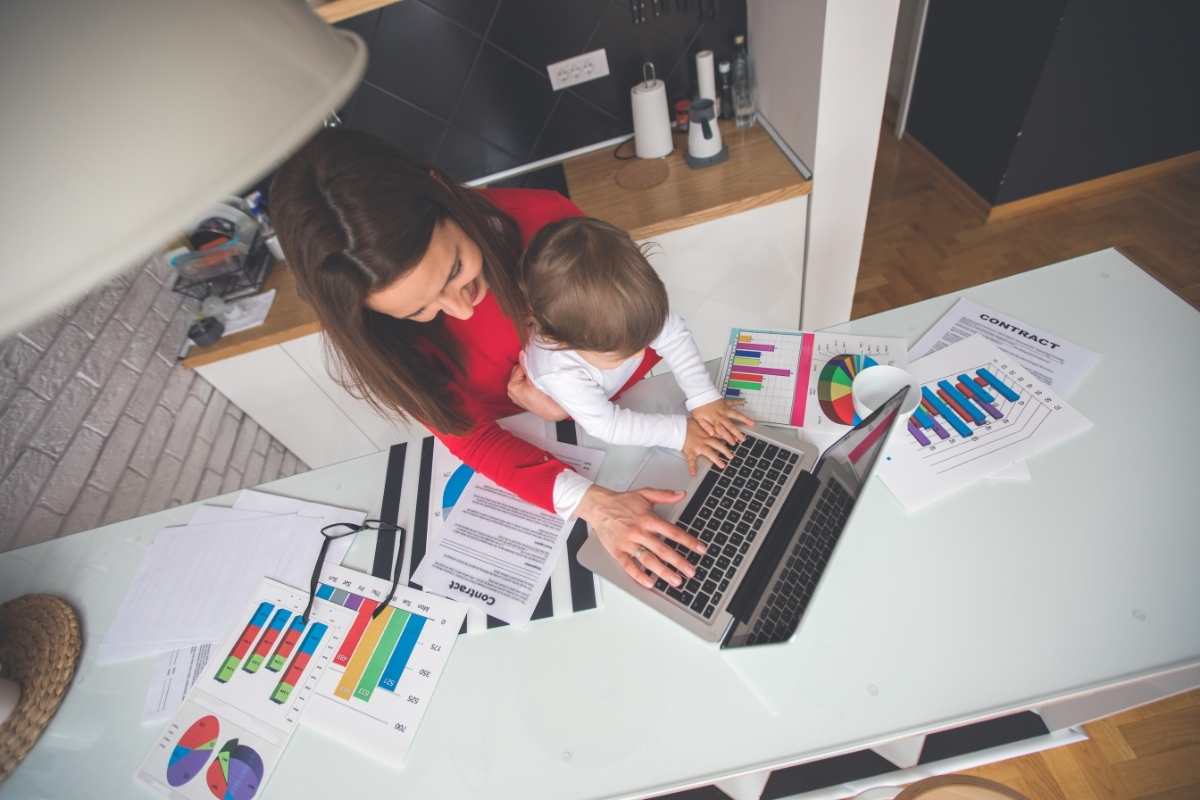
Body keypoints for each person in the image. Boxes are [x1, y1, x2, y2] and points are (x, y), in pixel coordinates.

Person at [269, 129, 706, 591]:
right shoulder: (381, 339)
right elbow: (473, 439)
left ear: (442, 194)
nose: (461, 309)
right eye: (419, 311)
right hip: (532, 458)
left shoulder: (546, 224)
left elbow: (639, 333)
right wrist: (595, 505)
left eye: (455, 270)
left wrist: (577, 403)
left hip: (624, 413)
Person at [520, 217, 752, 474]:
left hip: (613, 390)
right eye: (621, 354)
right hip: (575, 408)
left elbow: (674, 336)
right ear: (563, 342)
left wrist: (703, 397)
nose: (642, 353)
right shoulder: (560, 372)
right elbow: (608, 425)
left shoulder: (631, 309)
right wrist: (680, 433)